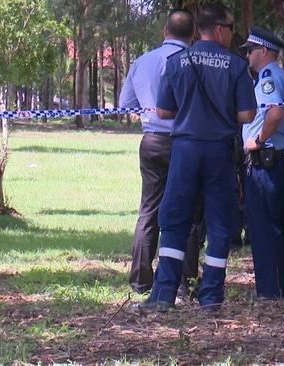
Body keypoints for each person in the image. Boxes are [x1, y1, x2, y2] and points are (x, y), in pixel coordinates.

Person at [130, 2, 257, 313]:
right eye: (230, 28)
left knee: (173, 219)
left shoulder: (177, 61)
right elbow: (247, 114)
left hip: (184, 150)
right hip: (219, 152)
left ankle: (163, 295)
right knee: (219, 223)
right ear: (217, 29)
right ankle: (211, 296)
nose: (232, 35)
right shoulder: (236, 65)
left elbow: (163, 111)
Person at [119, 9, 204, 296]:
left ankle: (141, 280)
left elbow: (125, 104)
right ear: (193, 35)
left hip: (152, 141)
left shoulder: (142, 61)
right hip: (185, 141)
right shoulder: (194, 61)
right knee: (189, 211)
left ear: (165, 32)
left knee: (149, 210)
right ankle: (184, 279)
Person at [241, 26, 284, 299]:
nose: (248, 56)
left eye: (250, 50)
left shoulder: (267, 77)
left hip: (268, 162)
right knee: (278, 227)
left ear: (263, 51)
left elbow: (274, 113)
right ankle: (281, 288)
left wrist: (259, 140)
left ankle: (269, 291)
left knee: (265, 228)